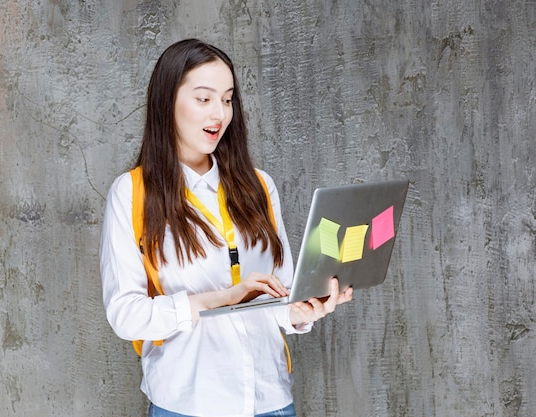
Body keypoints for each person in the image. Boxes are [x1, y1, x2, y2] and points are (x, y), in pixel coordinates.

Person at [100, 38, 353, 417]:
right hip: (188, 403)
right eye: (204, 99)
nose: (218, 113)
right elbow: (126, 315)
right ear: (167, 102)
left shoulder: (259, 185)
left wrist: (303, 311)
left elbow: (279, 295)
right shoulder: (133, 194)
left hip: (270, 401)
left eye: (228, 99)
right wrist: (221, 298)